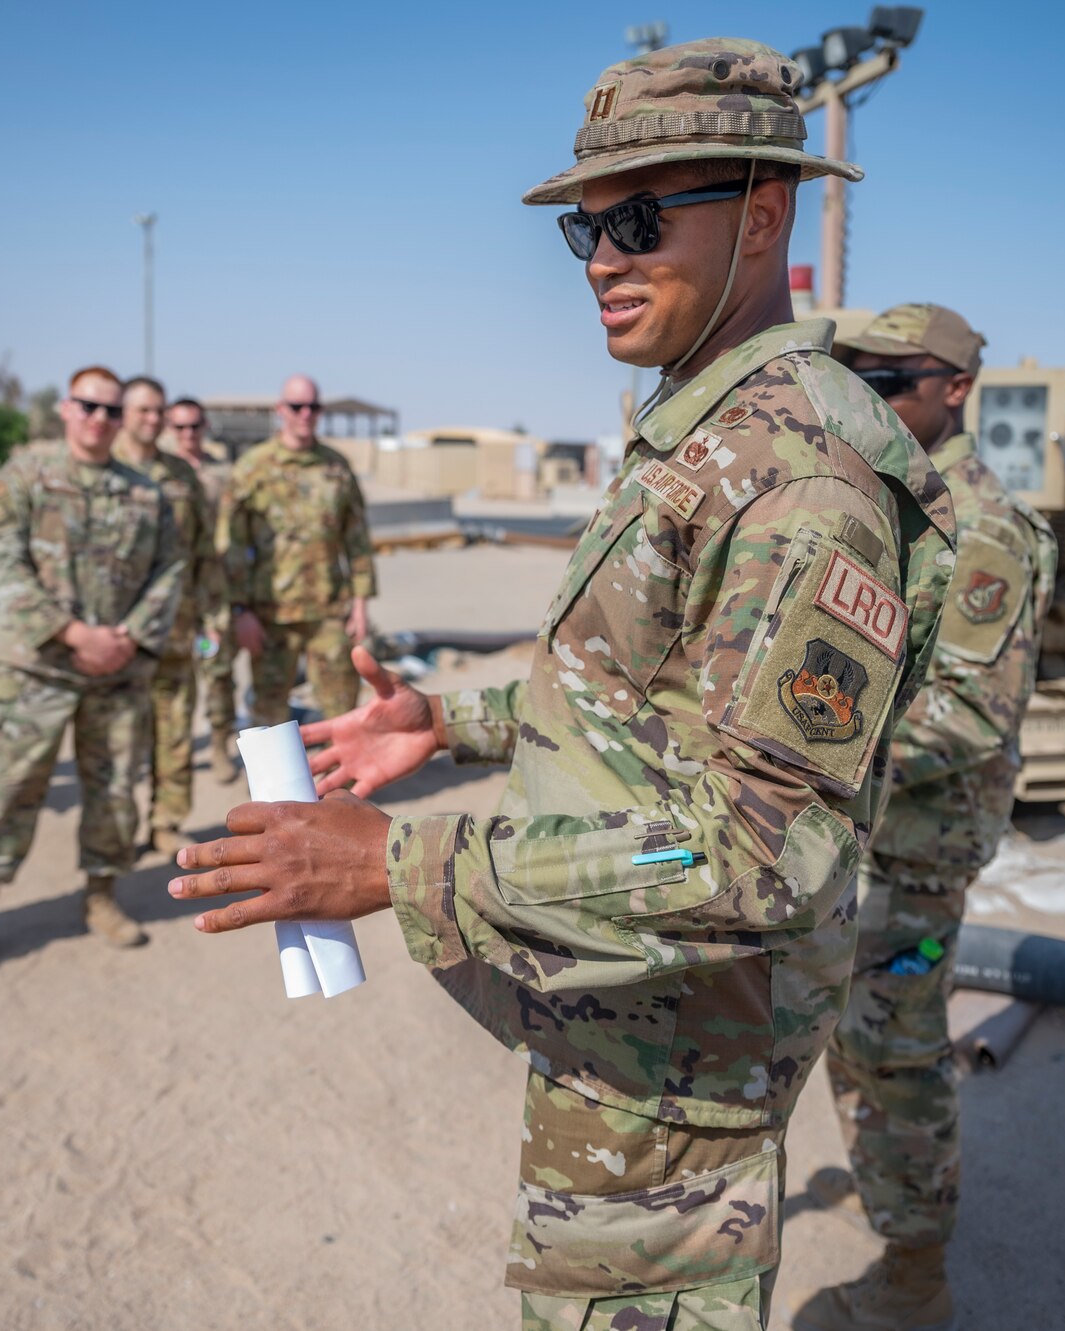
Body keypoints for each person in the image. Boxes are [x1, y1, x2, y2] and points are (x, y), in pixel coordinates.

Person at [170, 39, 957, 1327]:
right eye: (585, 230)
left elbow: (762, 858)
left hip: (683, 1054)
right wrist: (446, 719)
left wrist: (398, 867)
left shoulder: (798, 480)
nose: (600, 259)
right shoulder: (706, 425)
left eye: (639, 219)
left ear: (761, 220)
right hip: (626, 1012)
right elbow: (652, 695)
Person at [803, 305, 1058, 1331]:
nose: (870, 397)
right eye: (855, 380)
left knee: (895, 1049)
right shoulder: (896, 501)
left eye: (891, 378)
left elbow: (961, 714)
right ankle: (892, 1220)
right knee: (852, 1041)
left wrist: (814, 764)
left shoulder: (982, 525)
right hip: (864, 832)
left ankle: (913, 1276)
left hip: (915, 845)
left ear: (953, 389)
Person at [0, 367, 185, 979]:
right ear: (65, 409)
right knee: (10, 791)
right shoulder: (25, 477)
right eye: (88, 406)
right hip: (39, 670)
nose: (100, 419)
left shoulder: (146, 493)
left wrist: (125, 638)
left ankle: (100, 895)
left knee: (115, 792)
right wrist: (73, 634)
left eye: (111, 409)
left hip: (119, 673)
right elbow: (1, 565)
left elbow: (171, 571)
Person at [216, 374, 376, 754]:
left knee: (341, 712)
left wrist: (360, 604)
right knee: (270, 719)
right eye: (296, 407)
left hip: (329, 614)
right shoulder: (253, 468)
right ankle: (273, 805)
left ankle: (340, 802)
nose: (305, 414)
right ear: (280, 410)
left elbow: (357, 539)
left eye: (313, 407)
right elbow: (230, 545)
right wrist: (239, 610)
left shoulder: (336, 468)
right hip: (270, 616)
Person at [114, 380, 223, 855]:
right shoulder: (105, 467)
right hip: (119, 635)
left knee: (175, 732)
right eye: (144, 410)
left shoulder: (181, 474)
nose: (153, 420)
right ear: (125, 411)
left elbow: (203, 553)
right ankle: (116, 832)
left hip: (178, 629)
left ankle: (166, 822)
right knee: (120, 740)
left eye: (159, 411)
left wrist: (211, 616)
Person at [163, 398, 241, 785]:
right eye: (179, 427)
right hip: (174, 597)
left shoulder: (221, 474)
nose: (188, 434)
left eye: (194, 426)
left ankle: (219, 743)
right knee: (173, 681)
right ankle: (174, 756)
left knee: (218, 671)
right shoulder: (162, 474)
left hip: (213, 592)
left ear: (205, 426)